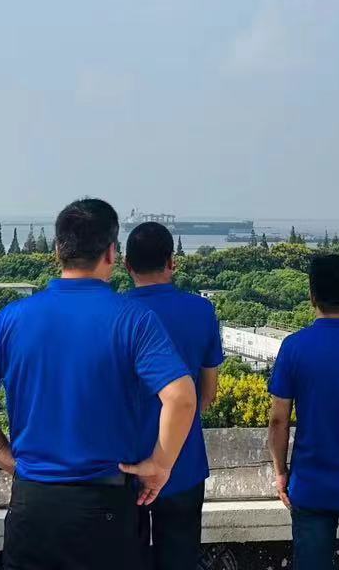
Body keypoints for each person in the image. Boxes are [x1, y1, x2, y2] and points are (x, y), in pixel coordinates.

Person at [0, 198, 197, 570]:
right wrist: (160, 464)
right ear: (111, 253)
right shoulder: (134, 319)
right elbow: (182, 398)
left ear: (59, 250)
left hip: (33, 504)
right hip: (105, 506)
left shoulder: (14, 317)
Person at [267, 253, 339, 570]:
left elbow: (278, 420)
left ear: (312, 295)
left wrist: (280, 472)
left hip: (311, 484)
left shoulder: (294, 347)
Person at [122, 221, 224, 570]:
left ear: (126, 265)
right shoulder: (201, 311)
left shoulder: (114, 313)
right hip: (184, 461)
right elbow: (207, 393)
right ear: (172, 262)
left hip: (123, 465)